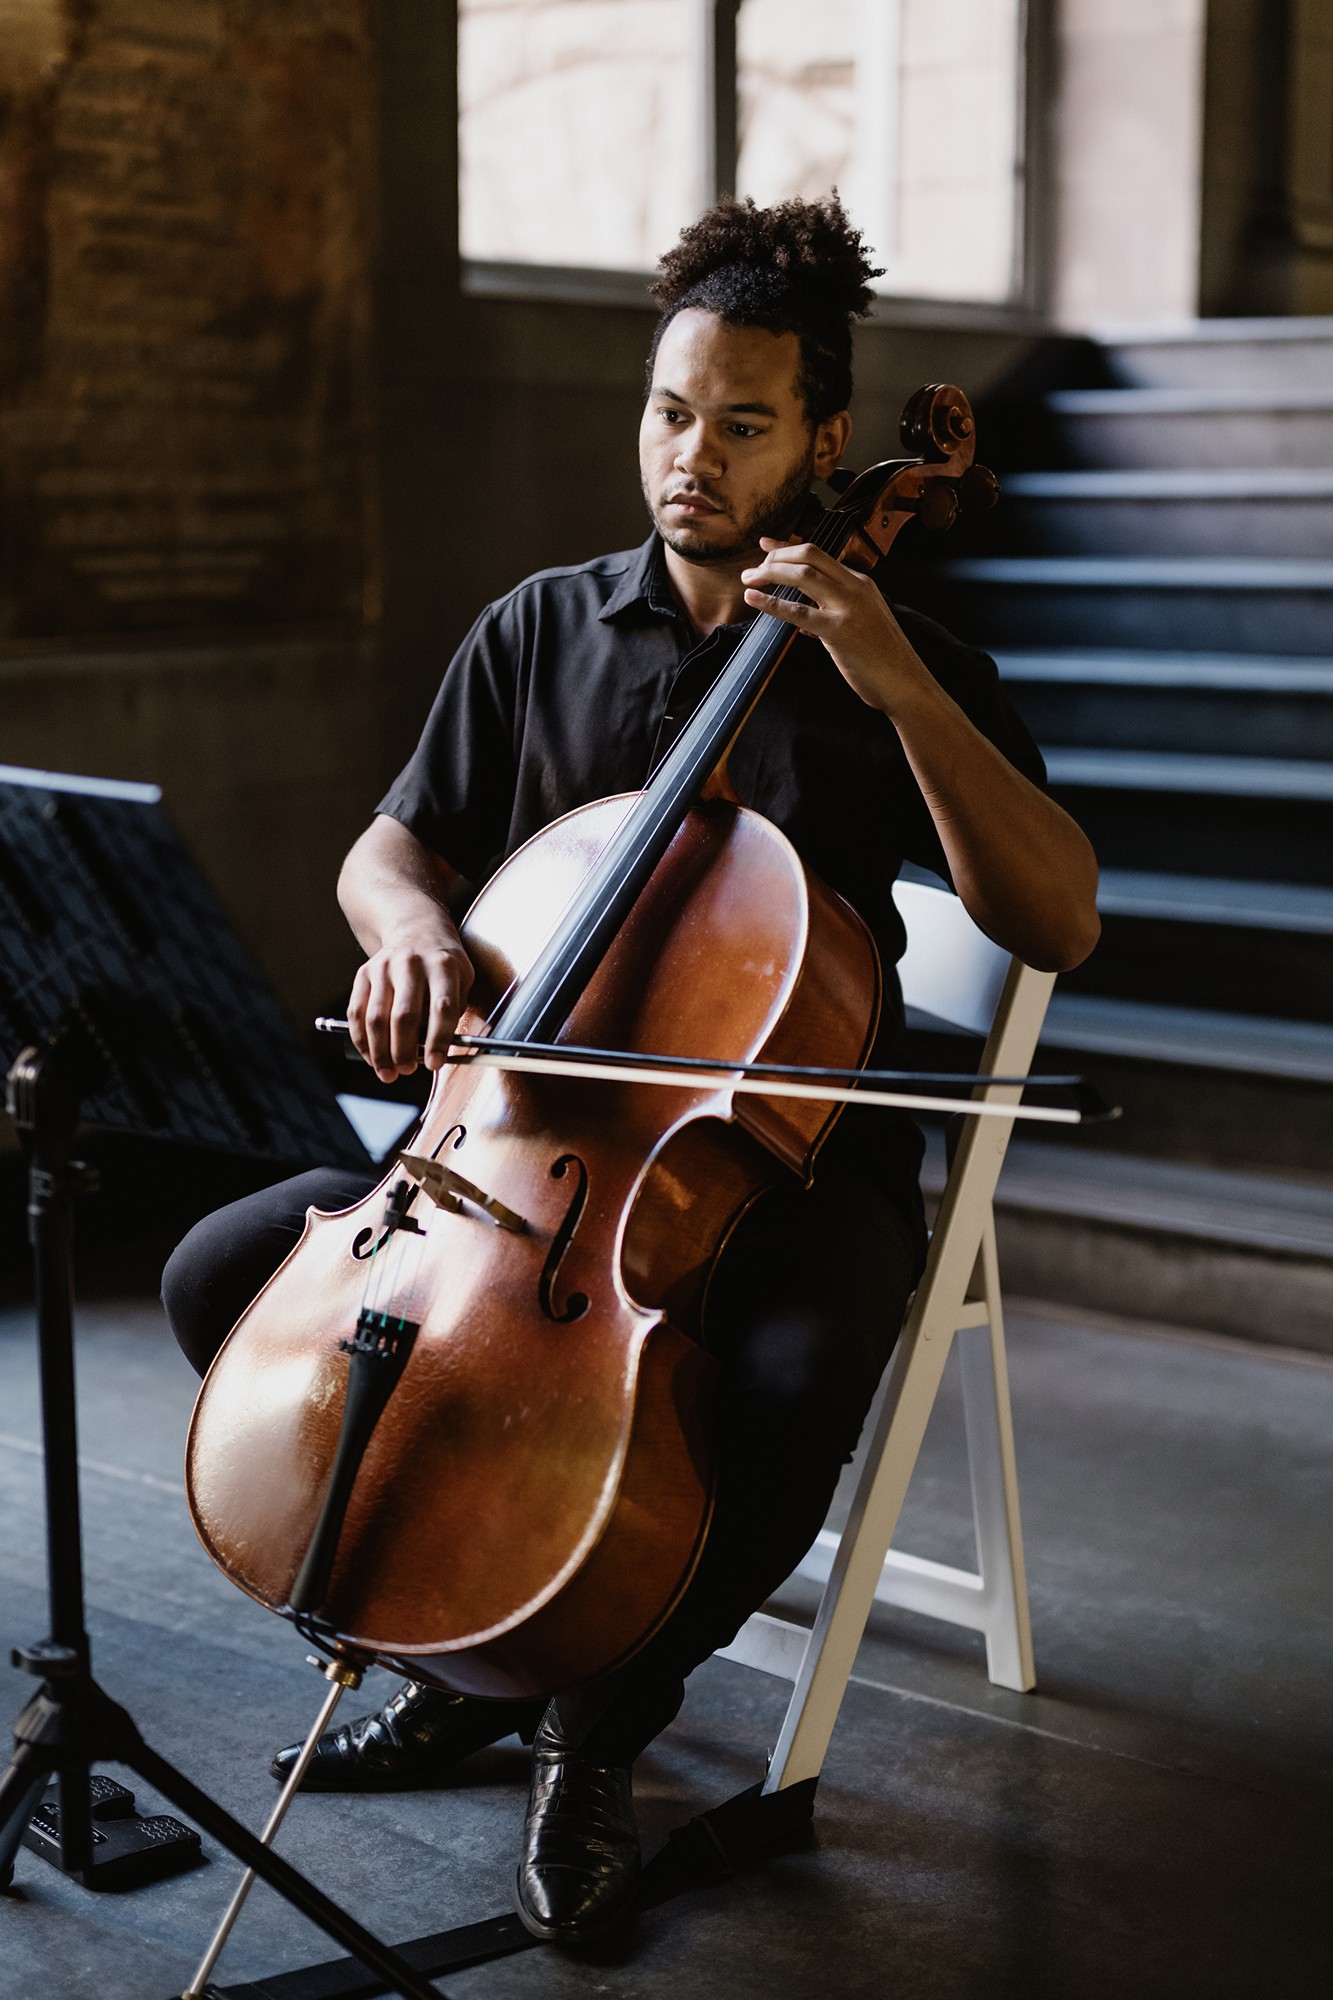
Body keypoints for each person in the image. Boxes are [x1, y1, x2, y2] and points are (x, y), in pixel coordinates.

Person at [162, 194, 1099, 1945]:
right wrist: (409, 936)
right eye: (672, 412)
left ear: (829, 442)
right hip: (512, 1156)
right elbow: (392, 847)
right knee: (227, 1275)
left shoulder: (898, 664)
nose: (693, 455)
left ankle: (597, 1724)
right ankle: (469, 1650)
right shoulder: (541, 628)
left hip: (774, 1174)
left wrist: (894, 681)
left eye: (745, 424)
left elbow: (1056, 917)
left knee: (795, 1377)